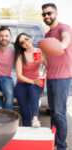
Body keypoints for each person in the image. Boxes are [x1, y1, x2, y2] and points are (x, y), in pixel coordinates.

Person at [41, 3, 72, 150]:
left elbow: (66, 39)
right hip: (51, 76)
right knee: (53, 111)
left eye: (49, 13)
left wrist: (62, 45)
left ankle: (61, 145)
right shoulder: (47, 35)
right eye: (44, 14)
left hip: (63, 77)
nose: (47, 16)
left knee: (59, 112)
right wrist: (40, 59)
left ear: (56, 13)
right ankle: (53, 142)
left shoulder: (63, 28)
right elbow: (47, 56)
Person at [14, 32, 47, 127]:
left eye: (27, 39)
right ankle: (28, 136)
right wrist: (32, 81)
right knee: (25, 113)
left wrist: (43, 76)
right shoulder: (20, 56)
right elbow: (19, 76)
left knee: (33, 88)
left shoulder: (40, 52)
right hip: (22, 84)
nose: (26, 43)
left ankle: (35, 117)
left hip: (37, 84)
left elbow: (49, 67)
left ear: (30, 39)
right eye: (22, 42)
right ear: (21, 46)